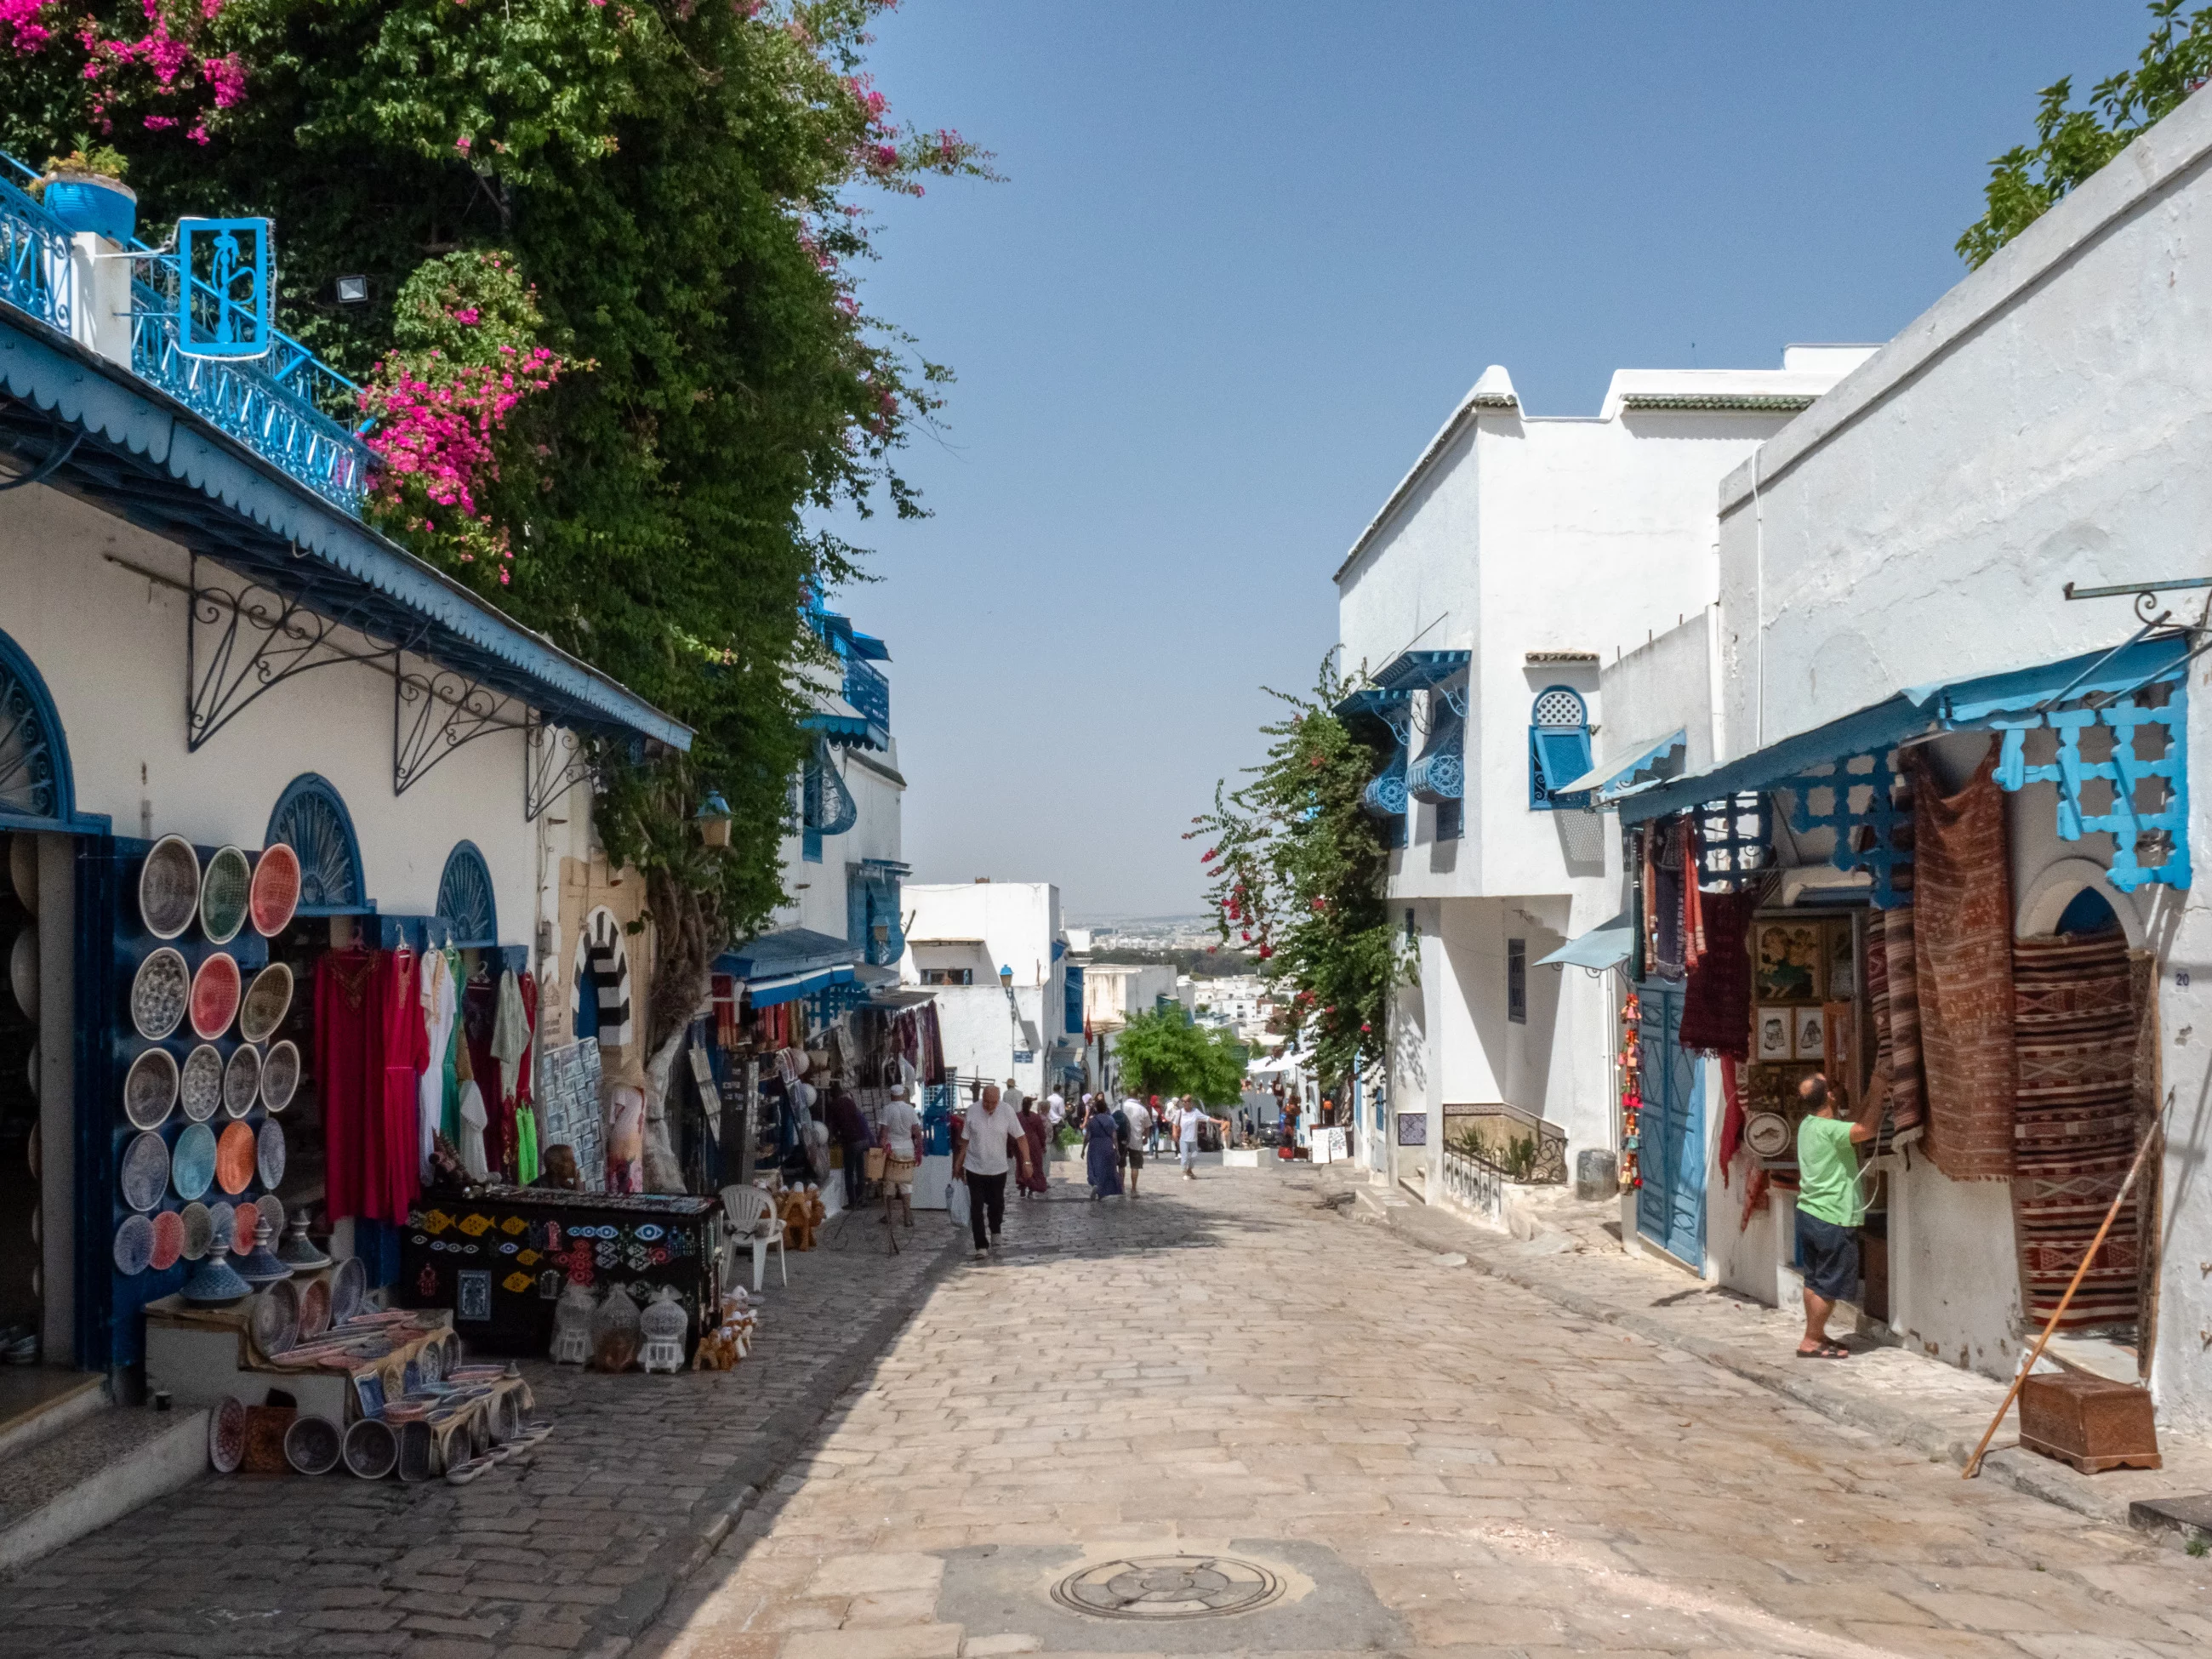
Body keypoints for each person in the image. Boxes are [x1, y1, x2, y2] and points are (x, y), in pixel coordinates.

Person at [1793, 1072, 1877, 1359]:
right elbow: (1866, 1129)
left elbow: (1850, 1123)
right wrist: (1877, 1090)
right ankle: (1810, 1340)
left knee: (1814, 1281)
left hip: (1810, 1213)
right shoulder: (1830, 1130)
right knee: (1828, 1285)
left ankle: (1816, 1334)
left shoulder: (1809, 1125)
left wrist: (1864, 1093)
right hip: (1832, 1217)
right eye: (1831, 1086)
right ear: (1828, 1096)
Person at [955, 1084, 1028, 1256]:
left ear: (999, 1100)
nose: (989, 1106)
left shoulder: (1007, 1111)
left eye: (993, 1102)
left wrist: (1027, 1162)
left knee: (996, 1205)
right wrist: (958, 1163)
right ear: (982, 1097)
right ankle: (981, 1246)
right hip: (974, 1167)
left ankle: (996, 1229)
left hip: (998, 1168)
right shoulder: (972, 1110)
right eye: (986, 1102)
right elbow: (965, 1140)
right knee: (976, 1206)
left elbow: (1021, 1137)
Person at [877, 1082, 921, 1228]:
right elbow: (917, 1132)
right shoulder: (910, 1109)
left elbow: (883, 1134)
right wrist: (919, 1149)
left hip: (892, 1150)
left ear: (891, 1095)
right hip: (908, 1149)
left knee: (889, 1183)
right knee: (906, 1183)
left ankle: (888, 1215)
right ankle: (907, 1216)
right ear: (903, 1095)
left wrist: (881, 1147)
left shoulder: (887, 1109)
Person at [825, 1085, 871, 1211]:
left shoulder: (833, 1105)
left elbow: (832, 1126)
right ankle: (862, 1199)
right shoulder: (850, 1102)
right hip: (864, 1139)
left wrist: (832, 1138)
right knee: (860, 1170)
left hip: (851, 1142)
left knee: (849, 1172)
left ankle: (852, 1202)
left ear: (831, 1096)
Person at [1177, 1097, 1229, 1179]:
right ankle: (1184, 1172)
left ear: (1190, 1102)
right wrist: (1174, 1133)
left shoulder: (1195, 1112)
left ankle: (1189, 1170)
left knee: (1194, 1156)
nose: (1185, 1103)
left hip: (1193, 1139)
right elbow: (1175, 1124)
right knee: (1185, 1156)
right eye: (1183, 1102)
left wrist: (1219, 1121)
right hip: (1183, 1138)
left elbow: (1206, 1118)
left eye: (1187, 1101)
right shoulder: (1180, 1112)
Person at [1084, 1098, 1125, 1200]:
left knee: (1093, 1166)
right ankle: (1102, 1190)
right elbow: (1114, 1136)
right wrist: (1117, 1149)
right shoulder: (1111, 1119)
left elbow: (1088, 1136)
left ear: (1096, 1109)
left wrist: (1083, 1148)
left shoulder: (1092, 1121)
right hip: (1107, 1145)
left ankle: (1095, 1183)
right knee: (1106, 1168)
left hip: (1094, 1145)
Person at [1119, 1092, 1153, 1200]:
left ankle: (1122, 1187)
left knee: (1121, 1164)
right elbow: (1148, 1126)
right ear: (1137, 1096)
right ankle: (1133, 1190)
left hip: (1122, 1139)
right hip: (1136, 1140)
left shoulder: (1121, 1106)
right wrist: (1146, 1137)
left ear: (1128, 1095)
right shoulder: (1142, 1109)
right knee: (1135, 1166)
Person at [1018, 1097, 1051, 1197]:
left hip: (1021, 1142)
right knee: (1034, 1166)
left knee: (1021, 1165)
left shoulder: (1018, 1116)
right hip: (1033, 1143)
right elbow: (1041, 1133)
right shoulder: (1035, 1117)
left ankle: (1022, 1186)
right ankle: (1031, 1189)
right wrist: (1043, 1144)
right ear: (1031, 1105)